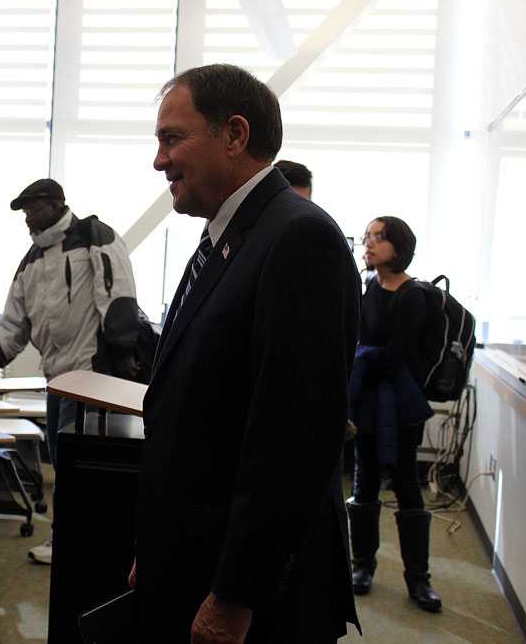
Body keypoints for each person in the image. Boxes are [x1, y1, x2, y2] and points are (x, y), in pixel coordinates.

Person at [132, 64, 361, 643]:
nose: (159, 160)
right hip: (194, 556)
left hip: (252, 596)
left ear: (234, 135)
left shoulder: (298, 237)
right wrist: (155, 548)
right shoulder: (227, 238)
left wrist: (237, 595)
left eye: (171, 138)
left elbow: (293, 442)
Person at [0, 178, 141, 565]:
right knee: (64, 463)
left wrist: (124, 353)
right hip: (56, 378)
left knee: (87, 464)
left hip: (94, 376)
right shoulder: (32, 259)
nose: (30, 218)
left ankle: (89, 540)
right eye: (26, 212)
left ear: (58, 205)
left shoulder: (94, 235)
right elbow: (15, 321)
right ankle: (70, 537)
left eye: (36, 209)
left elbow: (118, 293)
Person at [346, 216, 442, 612]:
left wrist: (362, 362)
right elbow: (362, 342)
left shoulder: (413, 295)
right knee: (365, 480)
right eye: (368, 237)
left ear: (399, 246)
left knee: (406, 484)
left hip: (401, 406)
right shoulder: (368, 286)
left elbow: (392, 357)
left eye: (379, 238)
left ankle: (418, 578)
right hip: (369, 403)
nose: (369, 244)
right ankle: (362, 565)